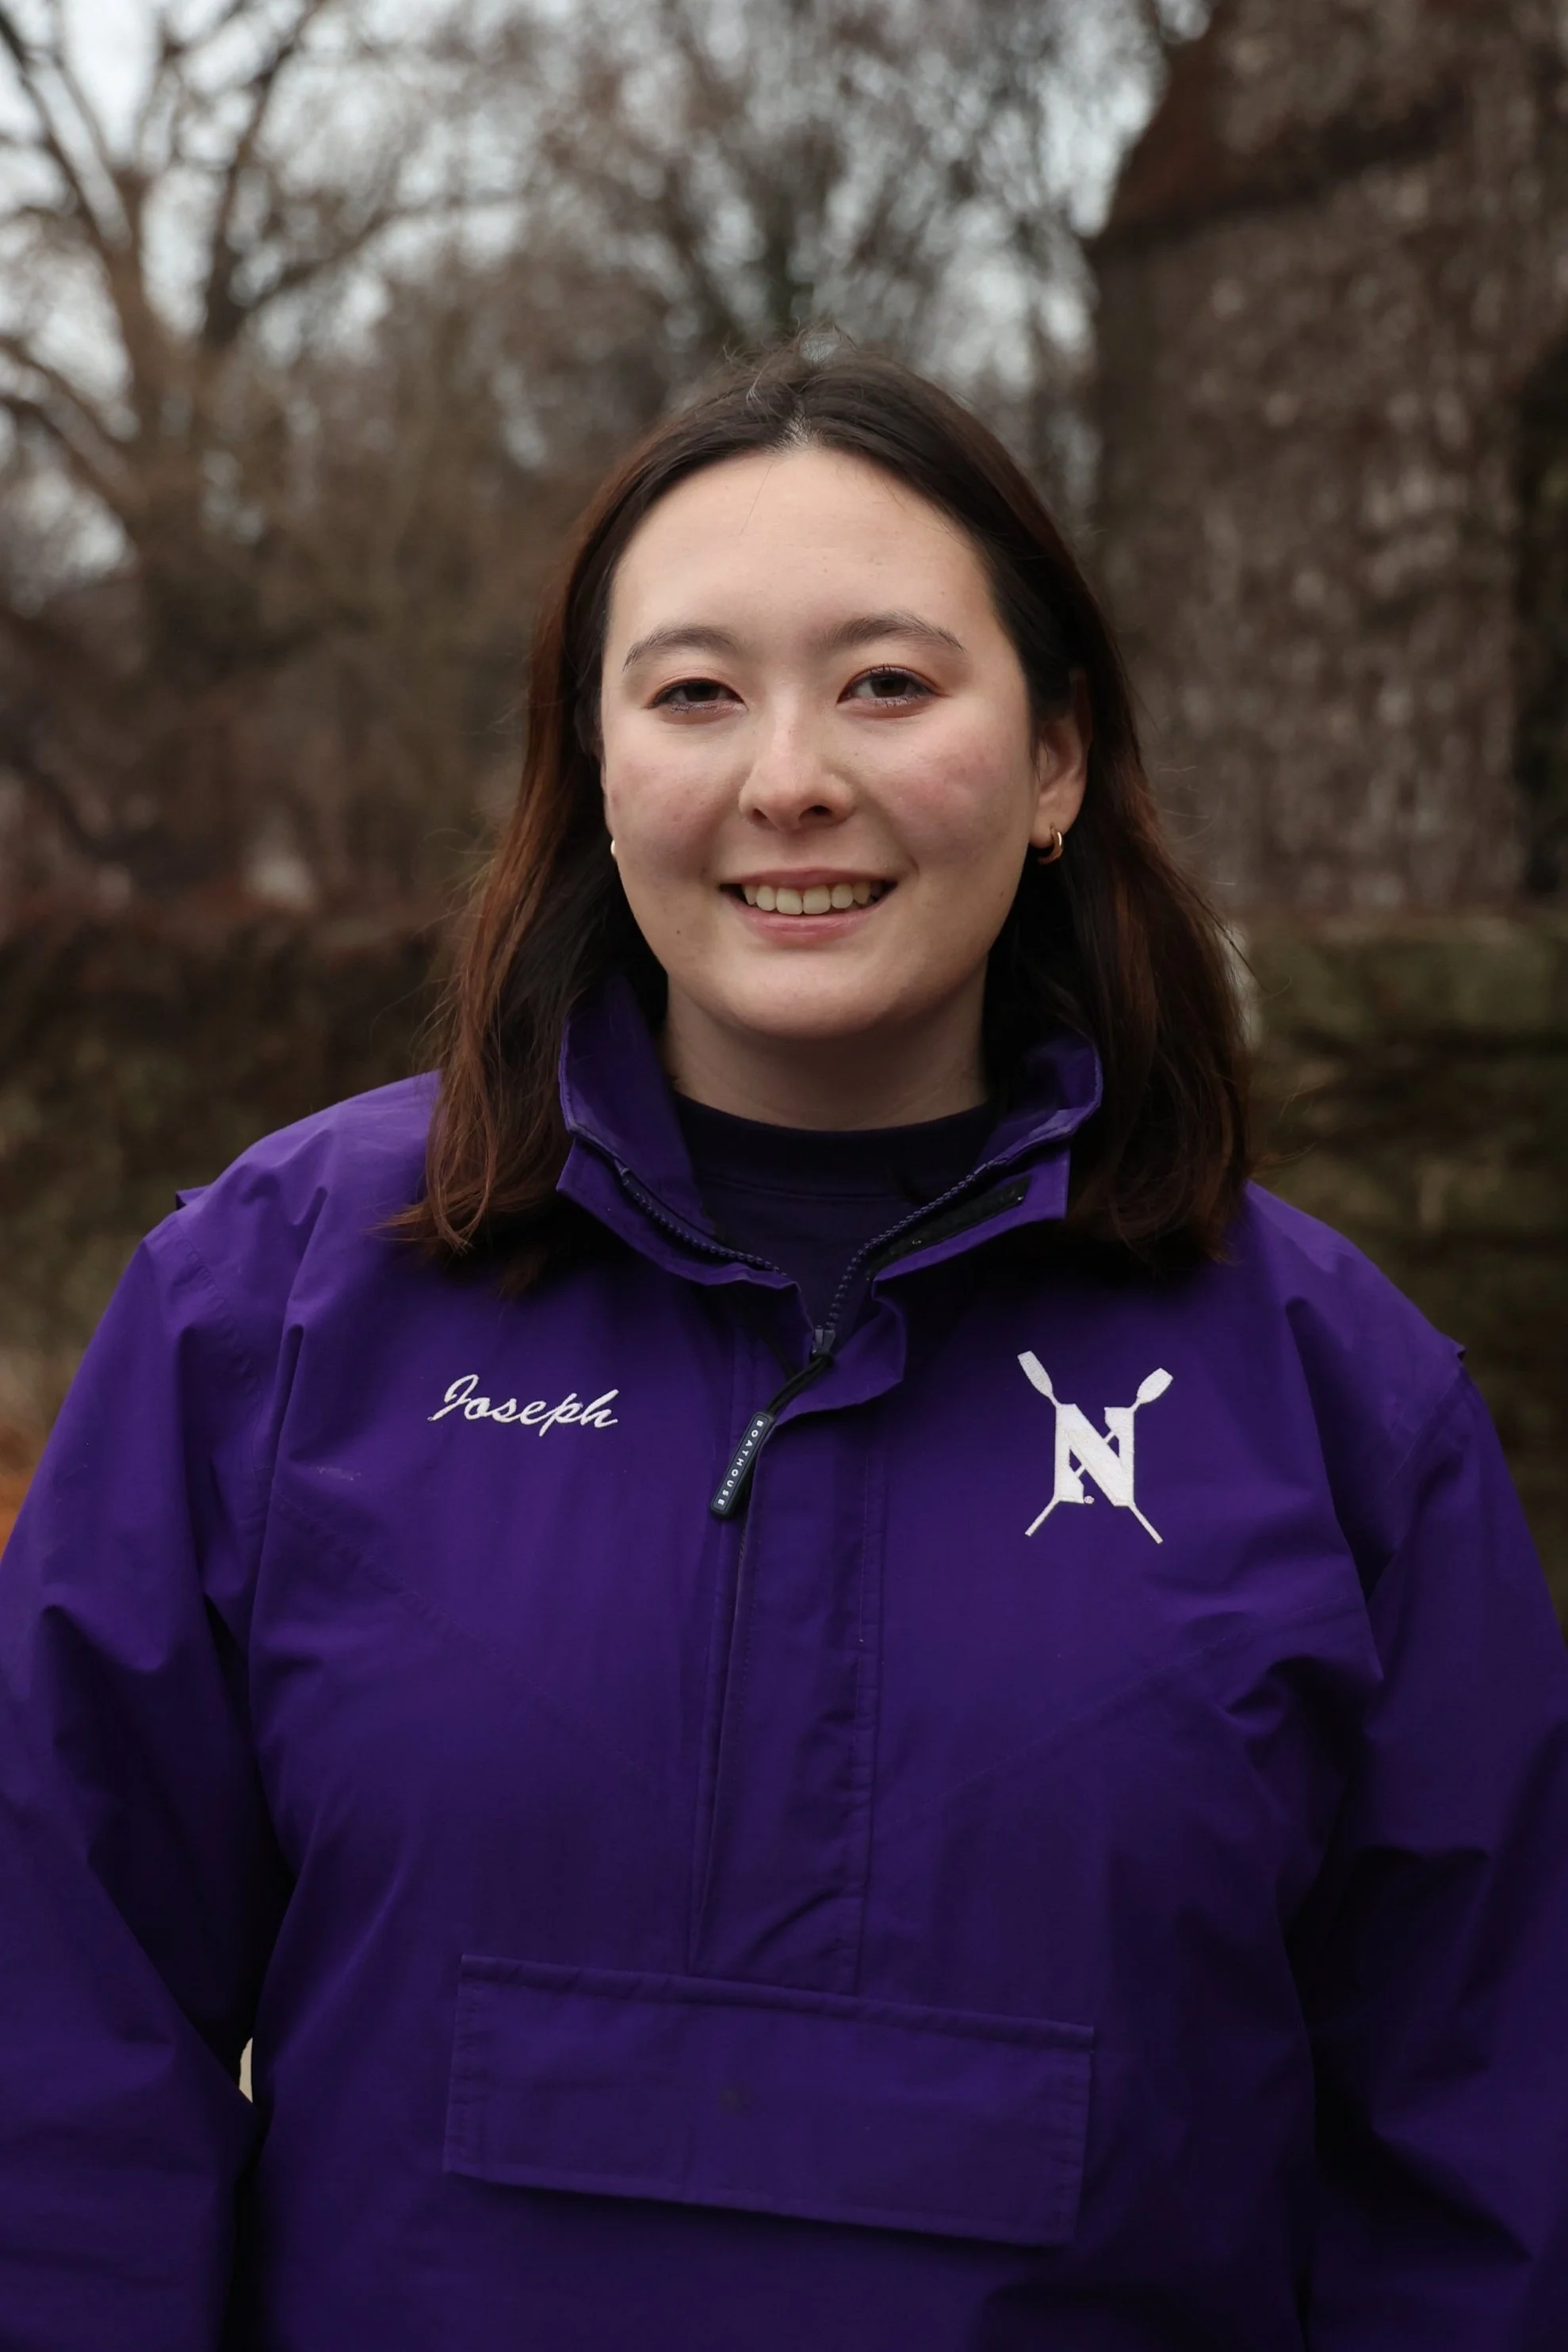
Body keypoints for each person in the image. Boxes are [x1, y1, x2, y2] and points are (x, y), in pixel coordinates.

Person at [2, 342, 1566, 2352]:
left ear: (1056, 758)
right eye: (693, 693)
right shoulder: (268, 1307)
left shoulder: (1341, 1410)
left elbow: (1477, 2179)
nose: (789, 777)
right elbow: (60, 2053)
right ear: (591, 769)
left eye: (886, 683)